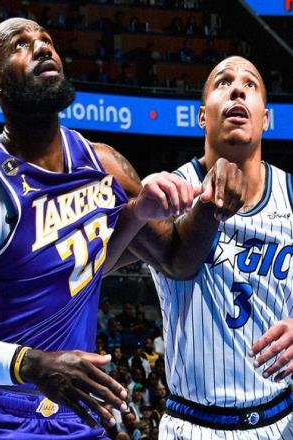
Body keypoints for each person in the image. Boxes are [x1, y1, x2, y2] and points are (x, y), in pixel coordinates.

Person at [0, 18, 244, 438]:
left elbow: (177, 260)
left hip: (74, 414)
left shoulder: (105, 166)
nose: (42, 47)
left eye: (47, 40)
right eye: (21, 44)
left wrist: (204, 205)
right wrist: (32, 364)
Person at [150, 56, 293, 438]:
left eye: (250, 84)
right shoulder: (167, 192)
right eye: (223, 82)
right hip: (193, 425)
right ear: (202, 116)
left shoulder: (292, 194)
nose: (237, 90)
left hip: (282, 421)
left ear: (265, 118)